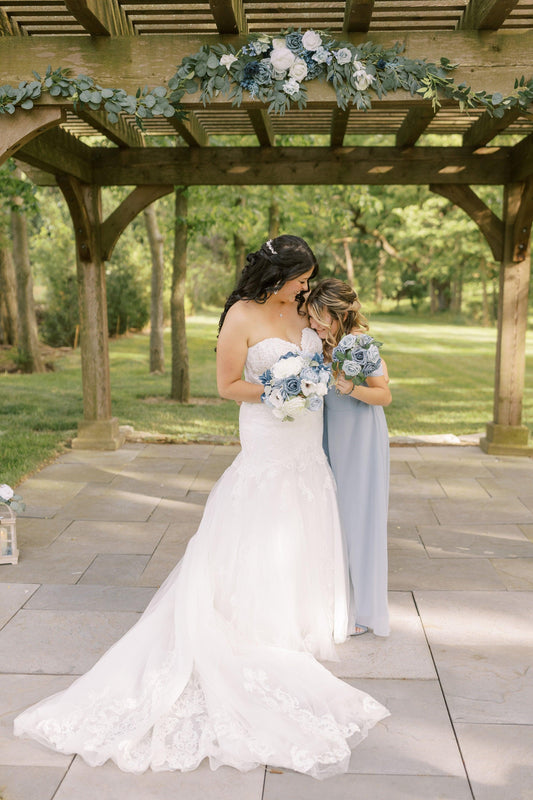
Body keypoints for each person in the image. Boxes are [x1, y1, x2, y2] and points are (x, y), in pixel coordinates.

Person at [14, 236, 388, 779]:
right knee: (258, 516)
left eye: (309, 278)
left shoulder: (304, 309)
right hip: (268, 432)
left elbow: (340, 349)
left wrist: (332, 379)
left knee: (304, 514)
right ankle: (248, 620)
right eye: (300, 277)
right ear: (278, 275)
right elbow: (228, 385)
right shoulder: (242, 314)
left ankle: (298, 617)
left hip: (307, 443)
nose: (306, 285)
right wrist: (281, 389)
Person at [307, 278, 392, 638]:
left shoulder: (359, 344)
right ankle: (337, 599)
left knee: (358, 519)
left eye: (316, 316)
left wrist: (351, 387)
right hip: (330, 435)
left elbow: (384, 395)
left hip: (360, 438)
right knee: (335, 517)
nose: (312, 323)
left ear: (335, 314)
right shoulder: (323, 344)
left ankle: (362, 610)